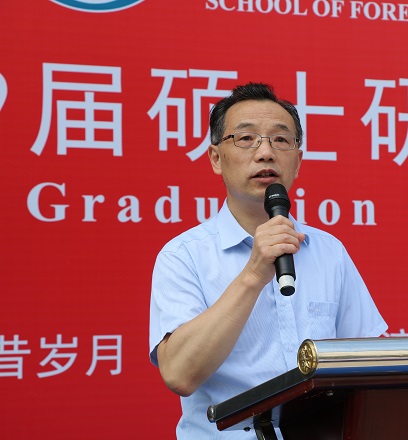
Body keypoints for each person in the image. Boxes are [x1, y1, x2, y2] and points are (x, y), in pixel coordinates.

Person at [149, 82, 387, 439]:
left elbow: (371, 365)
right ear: (216, 158)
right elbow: (180, 374)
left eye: (280, 140)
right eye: (246, 139)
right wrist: (254, 273)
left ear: (298, 161)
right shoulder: (184, 255)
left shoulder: (329, 252)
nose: (265, 153)